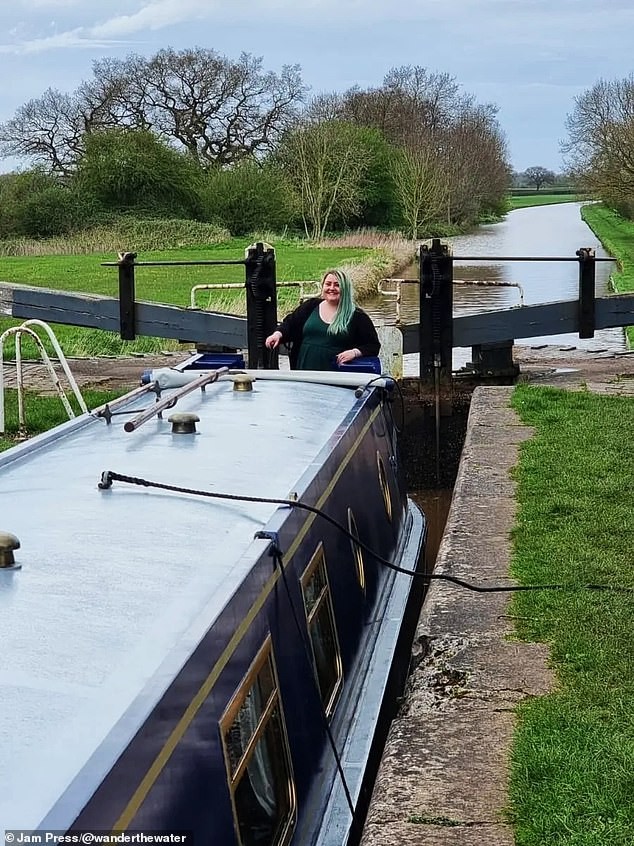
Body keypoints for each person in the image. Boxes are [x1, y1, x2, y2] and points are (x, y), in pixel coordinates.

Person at [265, 269, 380, 370]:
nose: (331, 288)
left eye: (337, 285)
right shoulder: (310, 306)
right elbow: (290, 323)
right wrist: (277, 334)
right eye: (328, 284)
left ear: (345, 288)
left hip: (337, 378)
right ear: (323, 286)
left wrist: (354, 353)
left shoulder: (357, 316)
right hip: (303, 372)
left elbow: (373, 345)